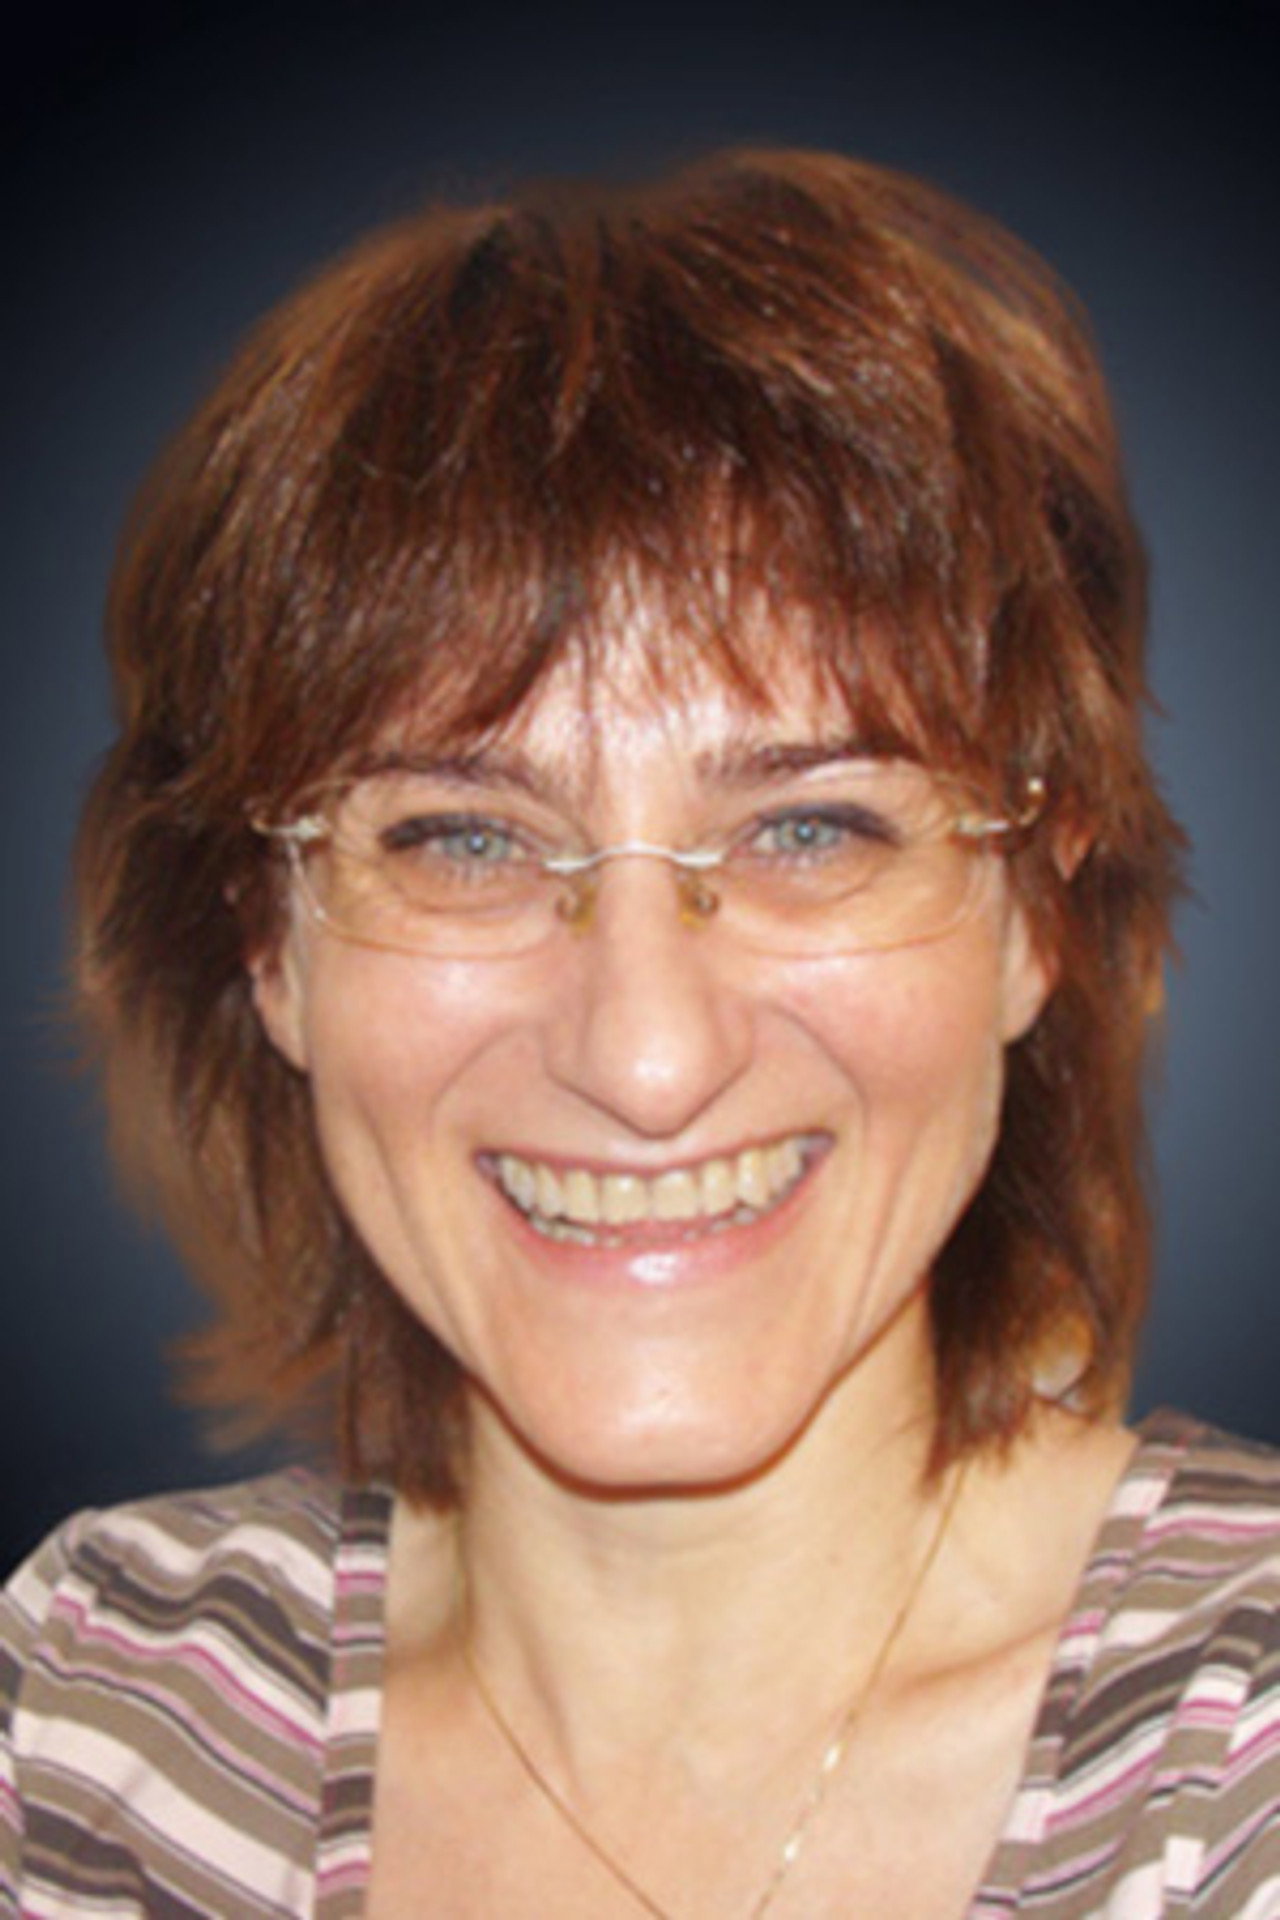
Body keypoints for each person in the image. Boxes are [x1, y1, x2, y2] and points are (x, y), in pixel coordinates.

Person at [2, 146, 1277, 1919]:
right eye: (461, 840)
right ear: (267, 944)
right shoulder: (86, 1717)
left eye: (810, 829)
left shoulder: (1240, 1758)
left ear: (1033, 919)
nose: (646, 1058)